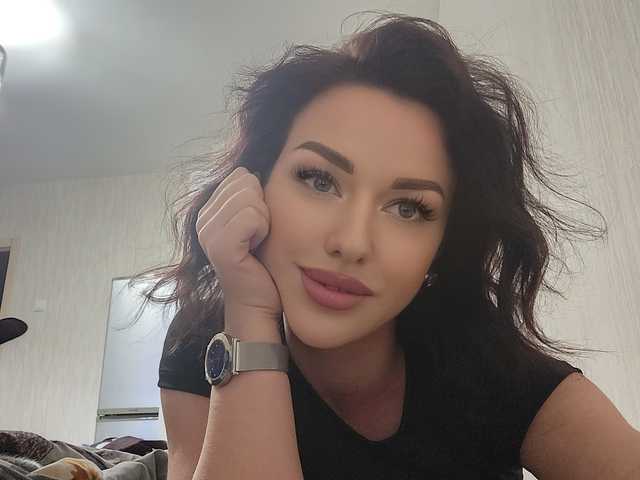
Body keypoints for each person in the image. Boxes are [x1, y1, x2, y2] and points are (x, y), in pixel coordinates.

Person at [135, 12, 640, 480]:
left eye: (408, 208)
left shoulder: (485, 361)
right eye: (319, 180)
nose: (351, 242)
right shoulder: (203, 338)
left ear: (441, 248)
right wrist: (248, 314)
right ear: (254, 184)